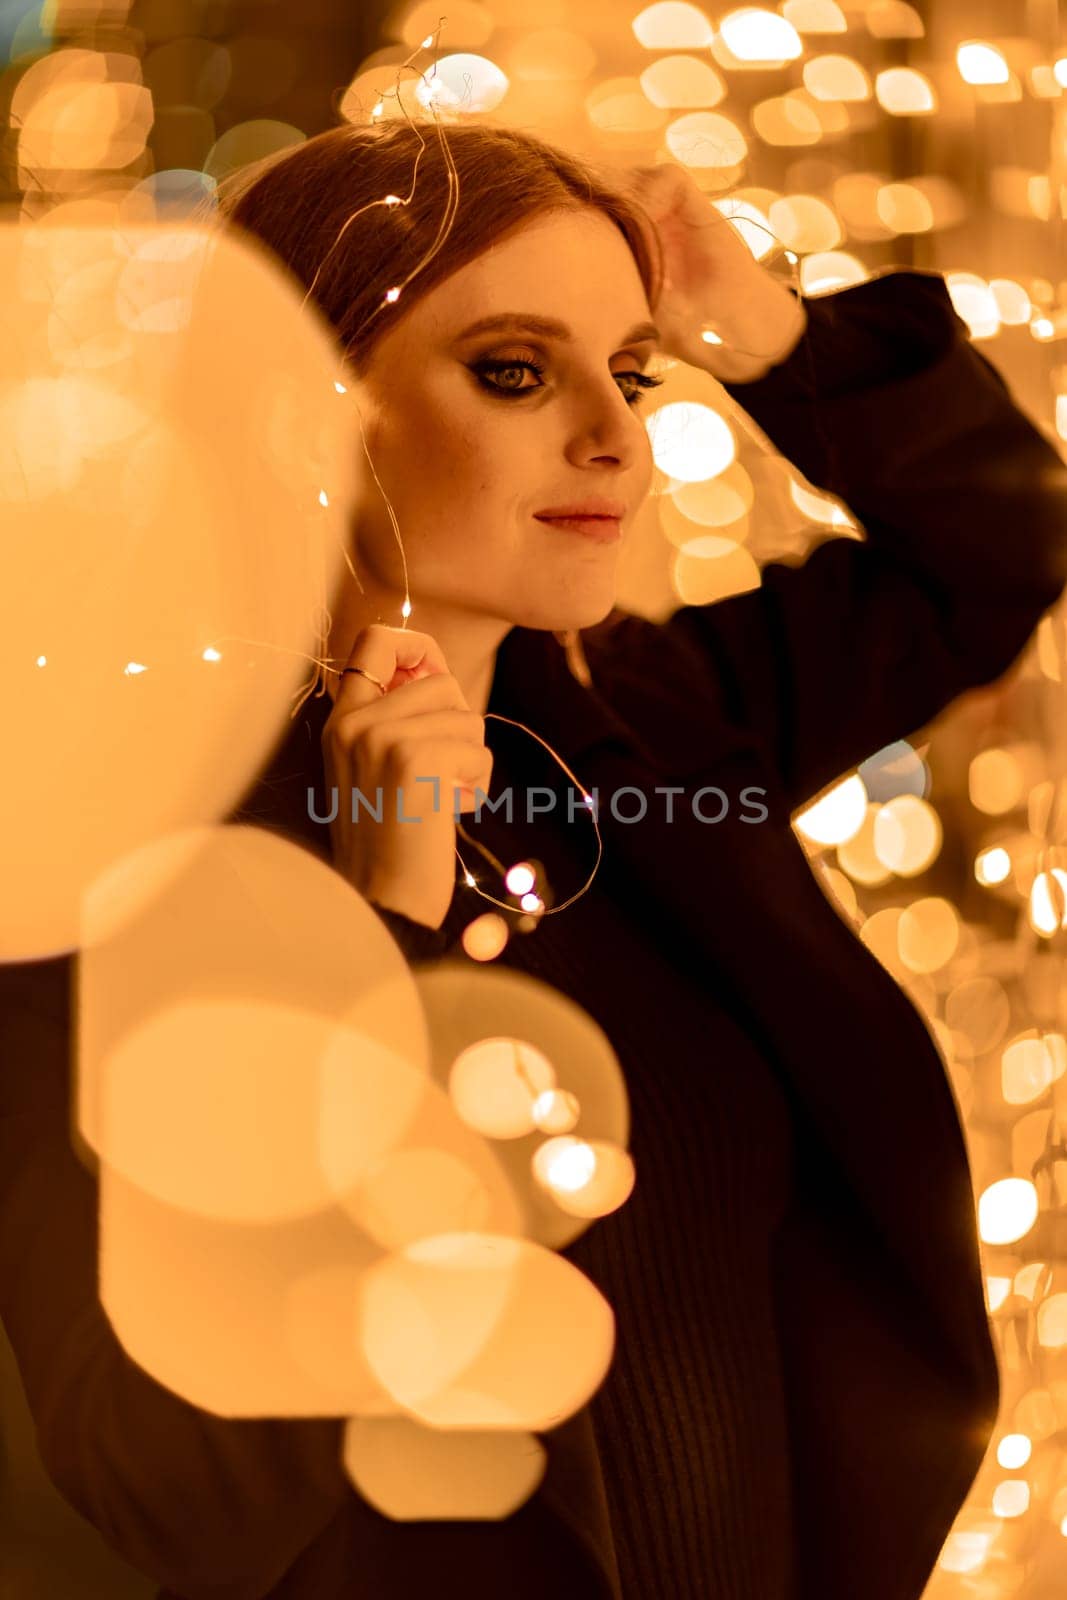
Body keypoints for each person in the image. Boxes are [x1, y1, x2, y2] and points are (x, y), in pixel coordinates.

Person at [2, 117, 1066, 1600]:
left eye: (629, 371)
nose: (617, 437)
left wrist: (758, 327)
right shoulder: (112, 865)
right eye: (515, 369)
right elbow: (166, 1486)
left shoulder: (657, 731)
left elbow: (998, 553)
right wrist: (385, 931)